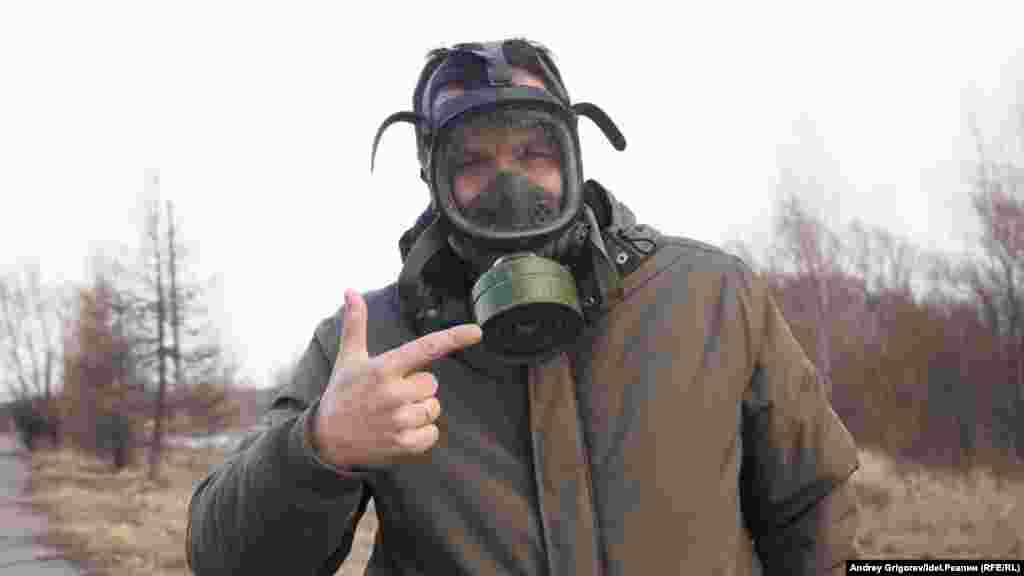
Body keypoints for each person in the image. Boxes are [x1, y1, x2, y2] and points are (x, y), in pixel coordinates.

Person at [186, 38, 861, 575]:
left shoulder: (711, 297)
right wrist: (319, 448)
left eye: (534, 153)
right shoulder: (373, 349)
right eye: (473, 163)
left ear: (572, 158)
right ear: (432, 177)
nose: (509, 185)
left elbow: (813, 511)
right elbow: (224, 559)